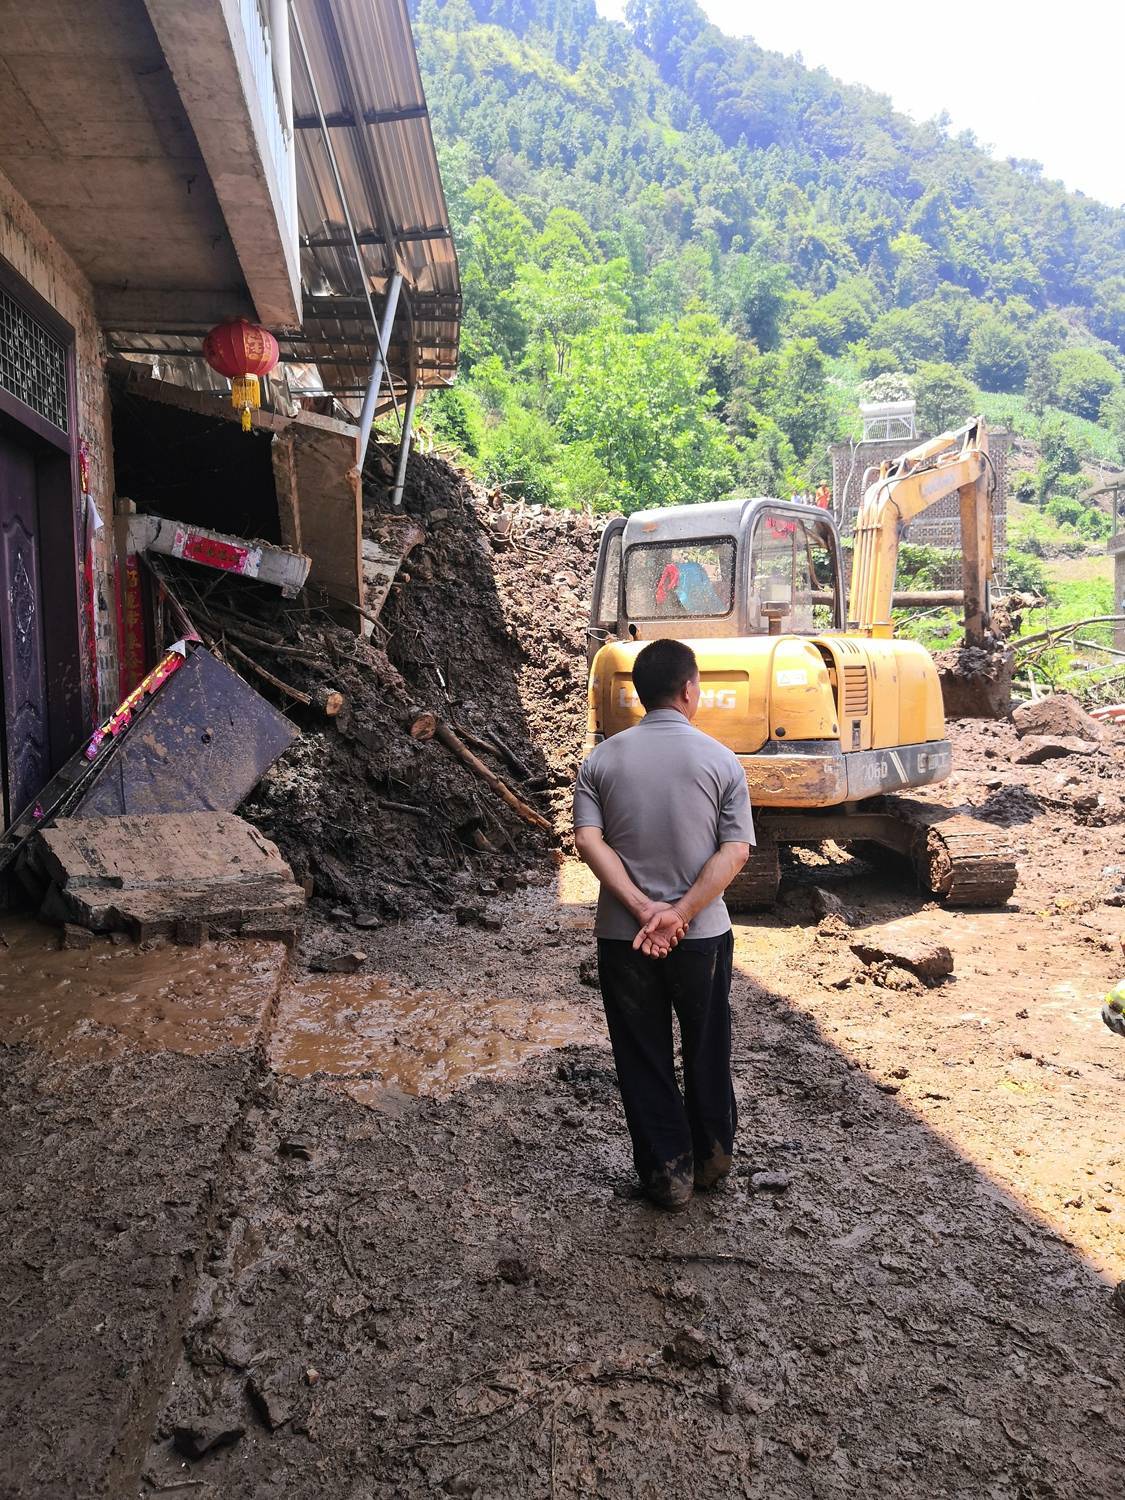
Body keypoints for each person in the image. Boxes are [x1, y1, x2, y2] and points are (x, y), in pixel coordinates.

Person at [573, 639, 755, 1212]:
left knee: (642, 1052)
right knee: (707, 1042)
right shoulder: (722, 760)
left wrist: (640, 906)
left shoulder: (599, 761)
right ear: (688, 689)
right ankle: (711, 1154)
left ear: (638, 694)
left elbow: (586, 840)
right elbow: (736, 851)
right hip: (701, 937)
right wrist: (679, 913)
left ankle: (665, 1172)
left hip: (623, 937)